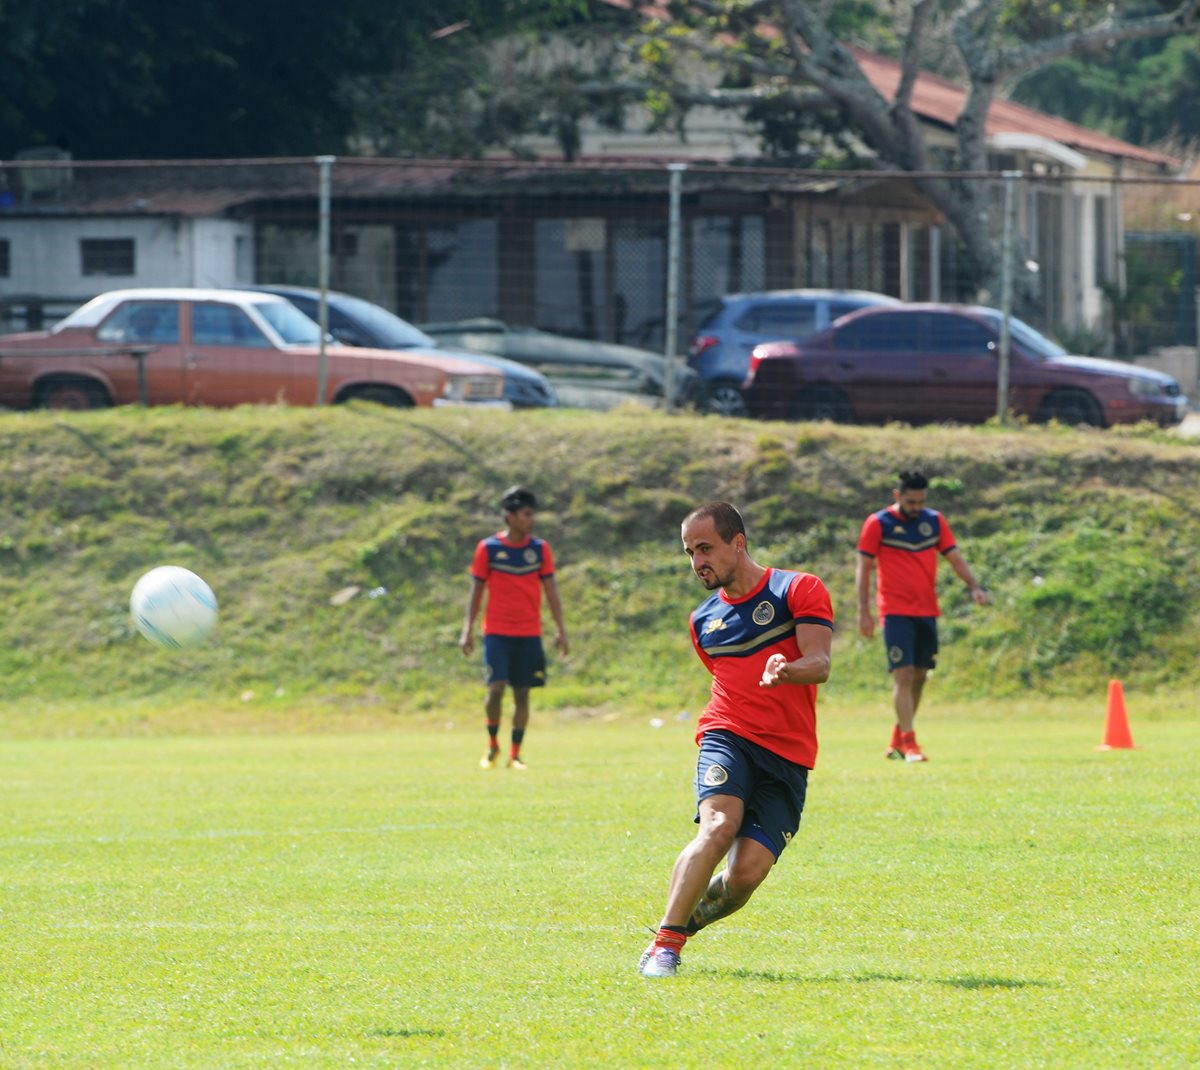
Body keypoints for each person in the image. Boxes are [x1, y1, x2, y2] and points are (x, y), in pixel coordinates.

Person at [639, 501, 833, 979]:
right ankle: (665, 945)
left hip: (787, 753)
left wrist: (786, 670)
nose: (696, 562)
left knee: (745, 876)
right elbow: (726, 682)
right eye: (689, 552)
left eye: (705, 548)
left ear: (738, 543)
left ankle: (681, 926)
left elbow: (821, 663)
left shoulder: (797, 589)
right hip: (728, 735)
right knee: (718, 825)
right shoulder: (702, 620)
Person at [856, 470, 988, 763]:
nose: (916, 507)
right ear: (897, 495)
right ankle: (910, 744)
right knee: (902, 675)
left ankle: (898, 738)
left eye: (921, 501)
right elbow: (863, 569)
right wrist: (864, 611)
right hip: (894, 610)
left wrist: (974, 586)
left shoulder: (934, 521)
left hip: (927, 610)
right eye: (911, 501)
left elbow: (954, 557)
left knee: (919, 676)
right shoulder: (878, 524)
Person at [459, 486, 568, 770]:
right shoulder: (489, 549)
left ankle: (515, 754)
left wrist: (560, 629)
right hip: (496, 632)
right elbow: (476, 592)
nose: (531, 520)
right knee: (495, 688)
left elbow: (551, 591)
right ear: (509, 516)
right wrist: (467, 629)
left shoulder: (539, 549)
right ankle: (493, 744)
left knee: (522, 693)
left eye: (532, 514)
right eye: (525, 514)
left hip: (530, 632)